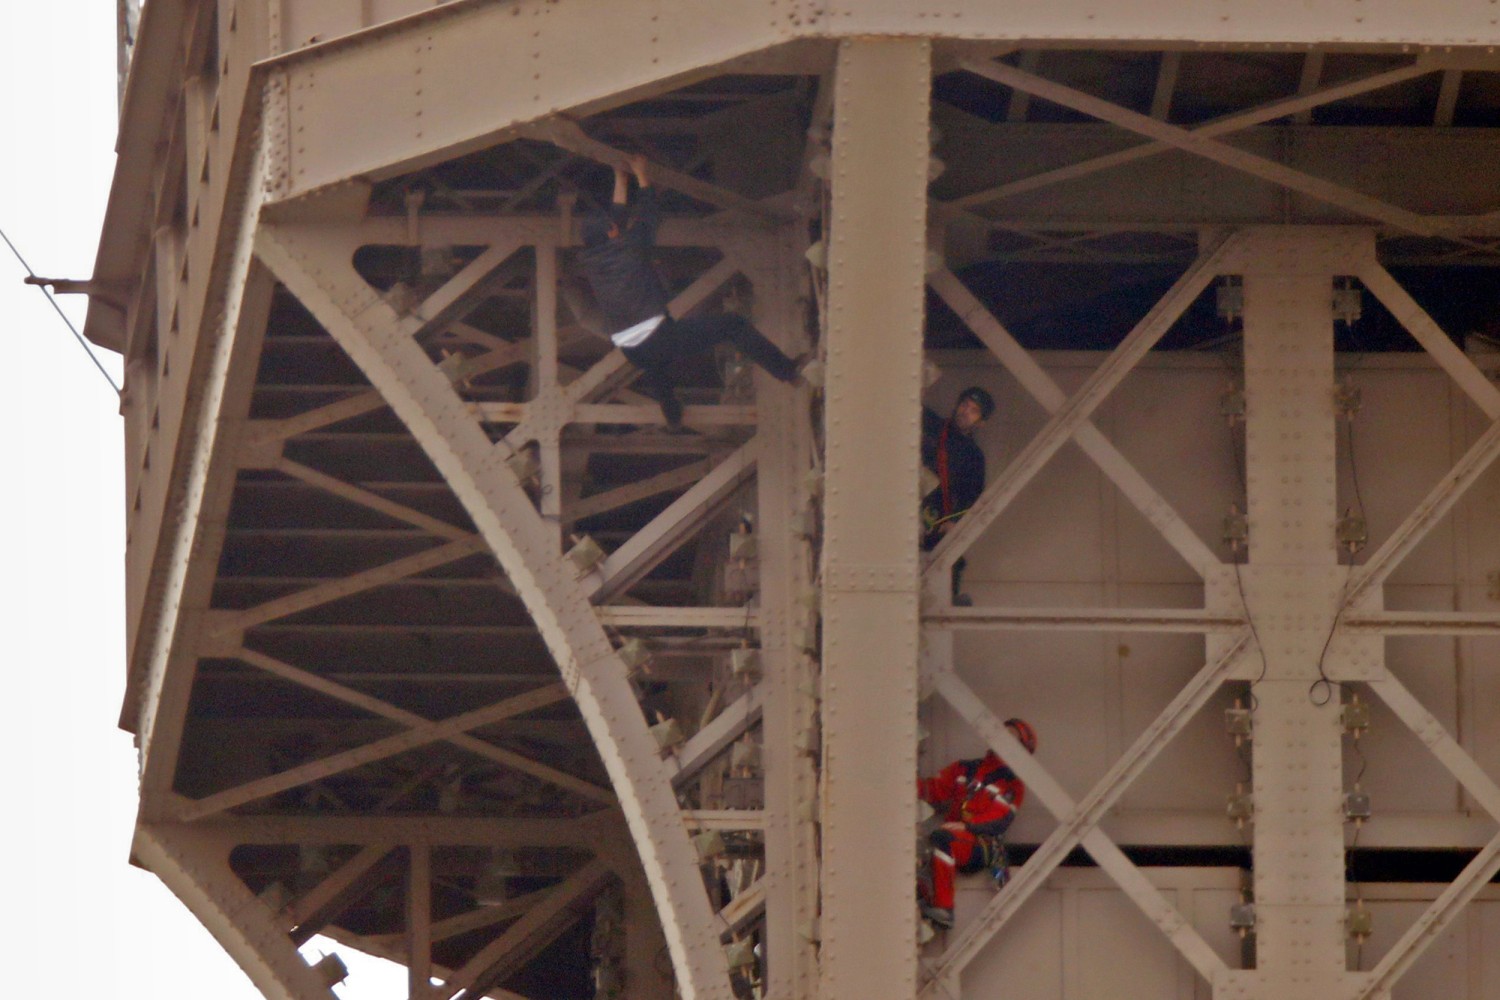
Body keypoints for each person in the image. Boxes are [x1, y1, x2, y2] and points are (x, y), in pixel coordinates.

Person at [577, 154, 805, 427]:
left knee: (656, 366)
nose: (615, 225)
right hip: (657, 336)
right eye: (612, 227)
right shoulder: (630, 249)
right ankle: (787, 371)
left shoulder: (593, 260)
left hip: (630, 348)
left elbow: (616, 219)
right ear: (611, 233)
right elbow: (650, 214)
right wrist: (642, 175)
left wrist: (620, 177)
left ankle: (672, 414)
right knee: (733, 326)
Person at [917, 718, 1037, 929]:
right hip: (958, 836)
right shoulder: (965, 769)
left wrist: (967, 827)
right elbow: (934, 789)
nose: (1001, 738)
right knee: (929, 846)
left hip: (982, 844)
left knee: (943, 840)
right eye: (1001, 732)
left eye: (1010, 737)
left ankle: (944, 909)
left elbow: (998, 820)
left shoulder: (1012, 785)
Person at [921, 386, 995, 604]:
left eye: (973, 411)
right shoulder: (932, 425)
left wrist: (954, 522)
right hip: (910, 508)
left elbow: (972, 498)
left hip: (938, 522)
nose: (965, 411)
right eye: (964, 405)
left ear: (981, 422)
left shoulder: (973, 456)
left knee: (949, 562)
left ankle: (948, 599)